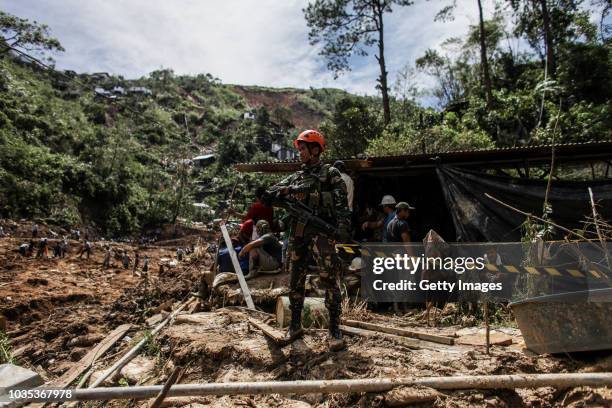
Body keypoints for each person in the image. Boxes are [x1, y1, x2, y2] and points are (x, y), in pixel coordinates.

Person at [266, 129, 350, 350]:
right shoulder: (296, 176)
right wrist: (278, 193)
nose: (300, 153)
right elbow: (274, 191)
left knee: (329, 279)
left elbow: (341, 202)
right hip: (299, 233)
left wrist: (340, 226)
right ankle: (295, 326)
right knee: (295, 279)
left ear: (315, 149)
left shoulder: (329, 173)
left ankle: (334, 330)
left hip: (322, 233)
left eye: (303, 149)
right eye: (299, 149)